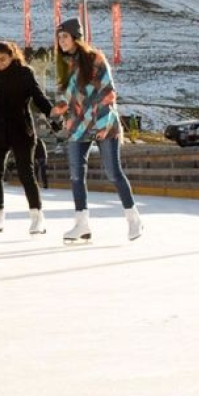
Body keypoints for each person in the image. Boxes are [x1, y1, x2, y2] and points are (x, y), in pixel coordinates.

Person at [50, 18, 143, 243]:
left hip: (103, 123)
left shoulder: (95, 60)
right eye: (59, 37)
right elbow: (68, 97)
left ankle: (133, 218)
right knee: (75, 175)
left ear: (76, 37)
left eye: (65, 36)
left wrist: (101, 125)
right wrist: (58, 111)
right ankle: (82, 225)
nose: (61, 41)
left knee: (113, 172)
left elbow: (108, 92)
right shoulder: (65, 64)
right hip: (77, 125)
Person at [0, 41, 55, 235]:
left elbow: (39, 98)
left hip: (21, 130)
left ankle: (37, 217)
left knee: (26, 174)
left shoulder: (24, 73)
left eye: (3, 59)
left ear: (12, 55)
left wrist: (53, 116)